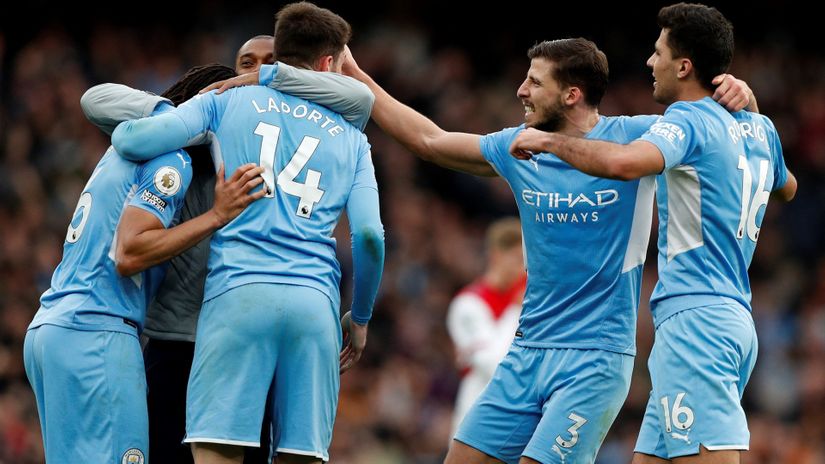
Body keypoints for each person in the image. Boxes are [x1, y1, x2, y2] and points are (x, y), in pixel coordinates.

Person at [331, 35, 753, 463]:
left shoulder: (635, 136)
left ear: (571, 95)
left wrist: (743, 96)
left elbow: (725, 137)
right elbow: (430, 141)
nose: (521, 90)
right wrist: (358, 77)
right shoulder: (518, 146)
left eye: (534, 82)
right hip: (526, 353)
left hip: (595, 360)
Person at [508, 4, 797, 463]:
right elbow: (787, 187)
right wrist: (754, 108)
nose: (649, 61)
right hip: (729, 317)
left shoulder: (688, 119)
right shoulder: (760, 128)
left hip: (696, 322)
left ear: (684, 66)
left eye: (658, 51)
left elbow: (624, 164)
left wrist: (549, 141)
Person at [111, 3, 385, 463]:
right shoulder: (353, 135)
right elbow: (371, 237)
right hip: (315, 306)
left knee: (218, 452)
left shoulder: (226, 99)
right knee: (299, 454)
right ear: (327, 65)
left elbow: (132, 140)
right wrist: (358, 320)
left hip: (237, 294)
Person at [23, 63, 266, 464]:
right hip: (100, 333)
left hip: (53, 327)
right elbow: (128, 253)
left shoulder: (121, 151)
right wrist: (216, 216)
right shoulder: (172, 162)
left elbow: (96, 98)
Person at [446, 217, 526, 436]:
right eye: (518, 259)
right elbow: (494, 365)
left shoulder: (524, 296)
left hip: (519, 414)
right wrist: (515, 311)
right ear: (496, 255)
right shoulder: (467, 305)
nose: (523, 269)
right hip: (477, 411)